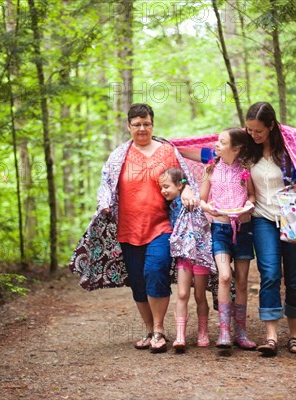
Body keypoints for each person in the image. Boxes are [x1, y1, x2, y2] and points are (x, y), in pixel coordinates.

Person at [171, 102, 296, 357]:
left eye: (258, 130)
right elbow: (209, 155)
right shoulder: (247, 152)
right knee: (270, 273)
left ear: (271, 127)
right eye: (249, 129)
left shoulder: (292, 153)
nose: (253, 134)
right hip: (262, 219)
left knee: (294, 278)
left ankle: (294, 336)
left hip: (293, 221)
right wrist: (174, 148)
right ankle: (271, 336)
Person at [93, 103, 201, 354]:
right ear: (128, 126)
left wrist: (187, 190)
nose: (142, 128)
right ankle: (149, 330)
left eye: (147, 124)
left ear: (153, 124)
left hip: (160, 226)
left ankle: (160, 330)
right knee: (138, 283)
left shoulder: (167, 151)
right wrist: (105, 203)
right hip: (128, 229)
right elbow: (106, 185)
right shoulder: (119, 155)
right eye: (137, 124)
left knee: (155, 271)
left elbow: (182, 177)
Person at [200, 128, 257, 350]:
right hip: (220, 229)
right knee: (225, 277)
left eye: (222, 142)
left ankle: (241, 333)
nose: (216, 144)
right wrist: (209, 208)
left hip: (244, 229)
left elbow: (252, 195)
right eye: (217, 140)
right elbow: (202, 199)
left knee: (242, 280)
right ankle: (224, 331)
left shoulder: (245, 169)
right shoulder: (210, 168)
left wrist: (249, 205)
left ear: (236, 148)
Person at [158, 167, 213, 352]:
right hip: (184, 255)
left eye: (166, 186)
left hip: (199, 254)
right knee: (182, 294)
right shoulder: (169, 203)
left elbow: (201, 203)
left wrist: (188, 189)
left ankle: (203, 332)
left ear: (179, 186)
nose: (163, 190)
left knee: (199, 295)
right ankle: (180, 335)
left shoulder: (190, 199)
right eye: (161, 187)